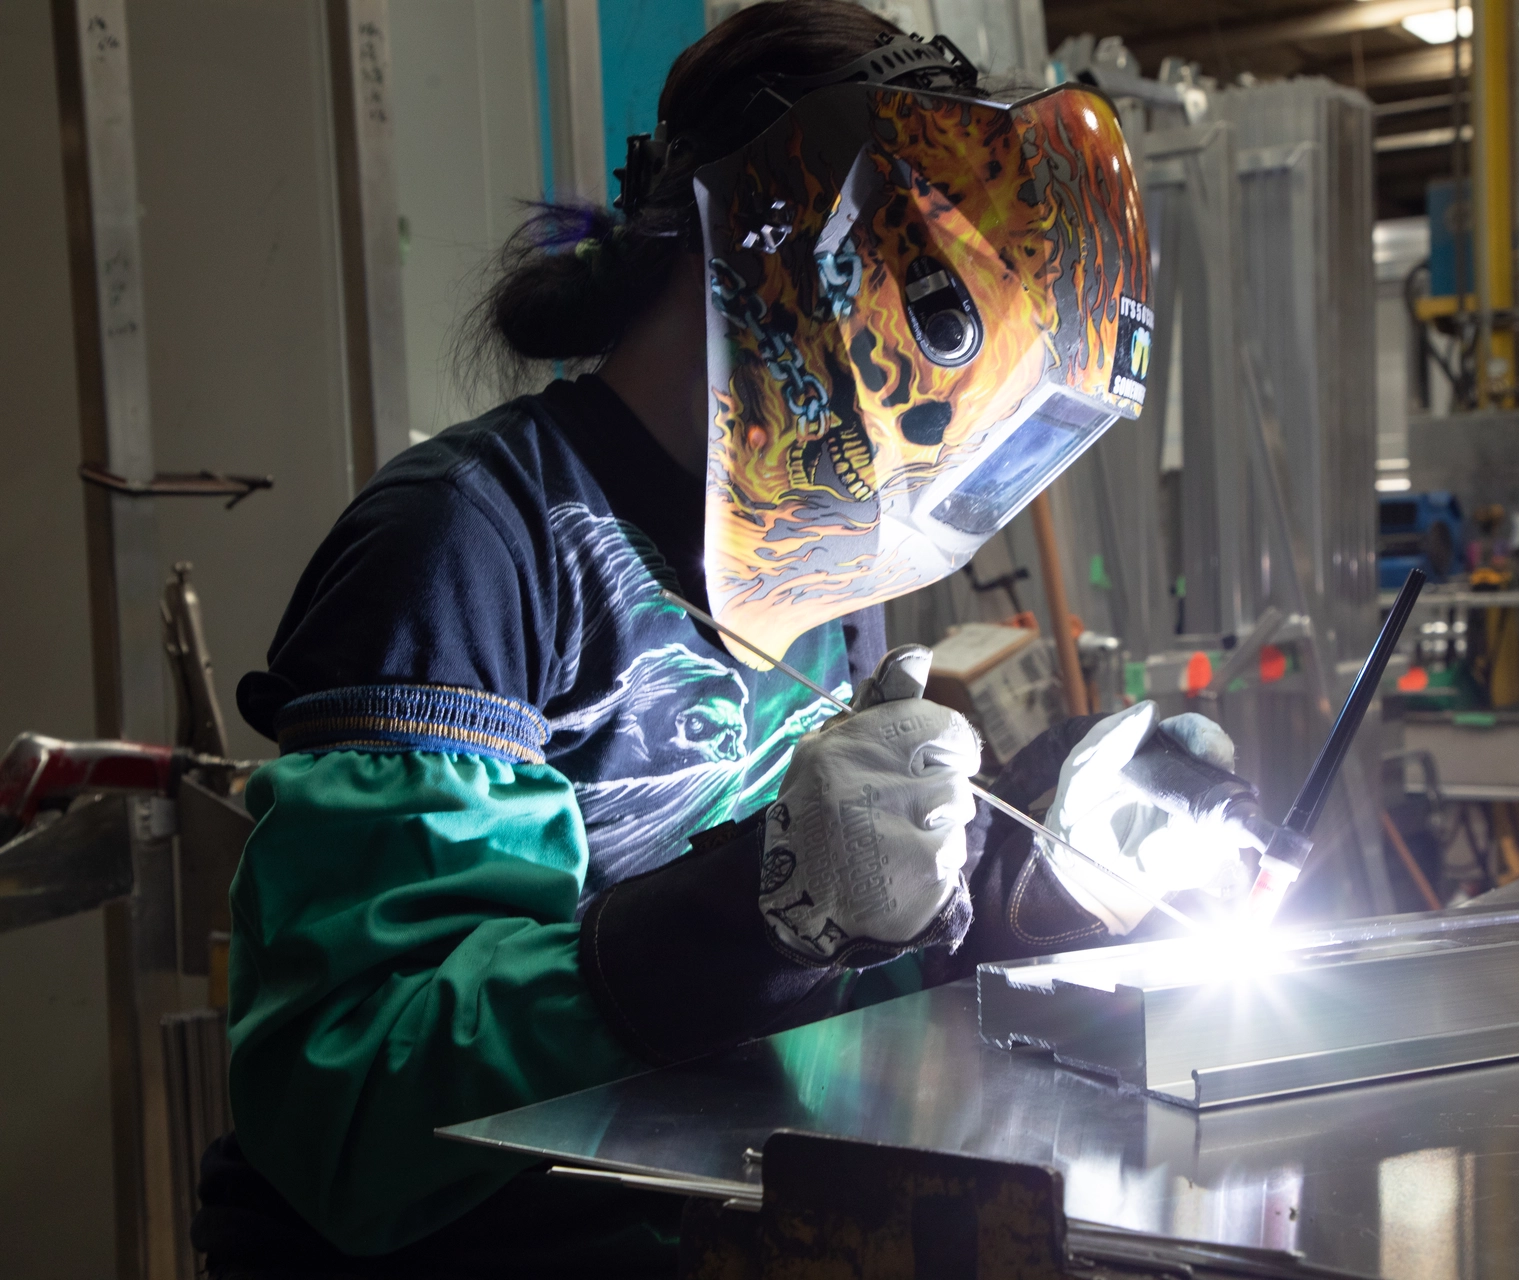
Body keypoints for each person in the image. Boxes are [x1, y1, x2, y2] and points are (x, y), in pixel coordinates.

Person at [192, 2, 1243, 1274]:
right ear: (791, 255)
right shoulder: (474, 545)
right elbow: (344, 1109)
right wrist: (754, 913)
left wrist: (1018, 890)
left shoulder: (795, 568)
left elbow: (813, 986)